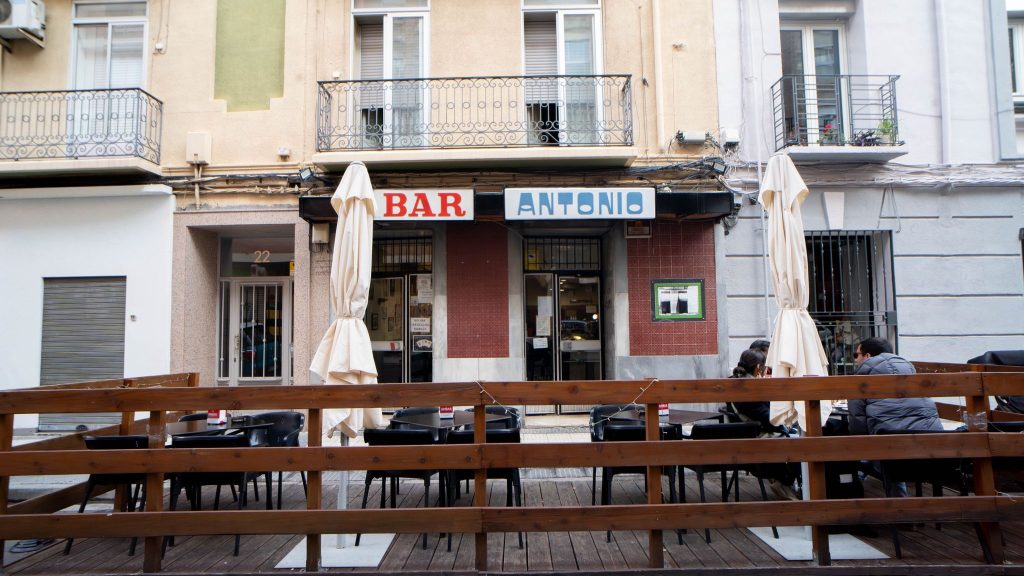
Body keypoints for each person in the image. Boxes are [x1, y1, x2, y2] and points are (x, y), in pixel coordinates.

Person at [849, 337, 942, 497]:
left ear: (868, 356)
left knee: (865, 451)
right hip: (932, 450)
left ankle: (856, 495)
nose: (855, 360)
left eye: (856, 355)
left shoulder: (860, 379)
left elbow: (857, 426)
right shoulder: (910, 370)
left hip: (892, 455)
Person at [726, 348, 801, 500]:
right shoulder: (750, 389)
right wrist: (787, 423)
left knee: (798, 435)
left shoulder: (736, 383)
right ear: (758, 368)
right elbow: (769, 419)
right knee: (803, 442)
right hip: (759, 439)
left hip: (750, 436)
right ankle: (786, 482)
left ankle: (786, 482)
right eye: (765, 368)